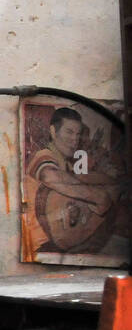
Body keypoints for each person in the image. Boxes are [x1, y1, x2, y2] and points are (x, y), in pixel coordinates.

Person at [24, 106, 122, 254]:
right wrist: (96, 195)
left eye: (78, 134)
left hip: (60, 244)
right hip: (39, 246)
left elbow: (79, 177)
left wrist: (111, 180)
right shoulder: (43, 155)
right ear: (53, 131)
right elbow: (50, 176)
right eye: (69, 132)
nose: (75, 139)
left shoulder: (67, 164)